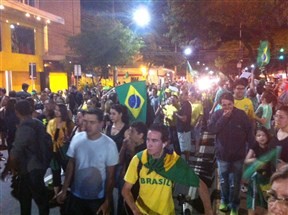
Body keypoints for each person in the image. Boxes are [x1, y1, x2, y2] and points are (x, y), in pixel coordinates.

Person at [122, 123, 213, 215]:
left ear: (164, 143)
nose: (149, 144)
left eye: (154, 141)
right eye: (148, 140)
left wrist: (208, 211)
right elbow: (126, 190)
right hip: (142, 211)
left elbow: (200, 185)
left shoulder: (173, 161)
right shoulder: (139, 159)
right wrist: (135, 210)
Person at [56, 108, 119, 215]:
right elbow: (71, 164)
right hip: (76, 196)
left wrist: (107, 200)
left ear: (101, 123)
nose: (88, 125)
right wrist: (64, 188)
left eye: (92, 122)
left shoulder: (110, 145)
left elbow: (111, 176)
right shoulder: (77, 138)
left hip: (98, 199)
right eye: (86, 121)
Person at [208, 92, 255, 215]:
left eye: (229, 104)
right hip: (222, 156)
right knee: (223, 181)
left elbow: (250, 133)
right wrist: (224, 118)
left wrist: (251, 149)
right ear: (220, 104)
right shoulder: (217, 114)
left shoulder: (241, 115)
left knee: (235, 183)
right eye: (224, 105)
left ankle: (234, 205)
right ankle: (224, 200)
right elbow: (212, 129)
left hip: (238, 156)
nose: (227, 107)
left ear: (233, 104)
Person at [3, 100, 49, 215]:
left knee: (32, 200)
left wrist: (6, 170)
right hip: (39, 165)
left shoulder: (24, 128)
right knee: (33, 200)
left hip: (30, 168)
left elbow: (15, 151)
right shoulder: (38, 123)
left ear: (17, 112)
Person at [46, 103, 74, 199]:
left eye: (58, 110)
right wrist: (58, 128)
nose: (56, 111)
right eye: (55, 109)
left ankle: (68, 192)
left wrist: (67, 138)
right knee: (55, 173)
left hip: (65, 151)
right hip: (54, 151)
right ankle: (56, 194)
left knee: (69, 172)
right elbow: (51, 138)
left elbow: (72, 137)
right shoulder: (51, 122)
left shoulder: (69, 123)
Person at [244, 127, 272, 215]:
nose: (261, 137)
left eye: (263, 135)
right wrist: (255, 160)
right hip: (257, 177)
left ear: (267, 136)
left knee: (268, 200)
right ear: (255, 137)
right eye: (258, 135)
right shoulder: (255, 145)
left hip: (269, 179)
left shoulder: (271, 146)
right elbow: (246, 160)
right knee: (252, 199)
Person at [175, 89, 192, 162]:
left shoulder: (186, 105)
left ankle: (186, 163)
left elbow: (184, 119)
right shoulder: (181, 104)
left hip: (184, 130)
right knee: (183, 148)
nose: (180, 96)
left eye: (182, 94)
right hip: (181, 129)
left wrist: (176, 114)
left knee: (185, 149)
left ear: (186, 95)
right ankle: (186, 162)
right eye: (180, 94)